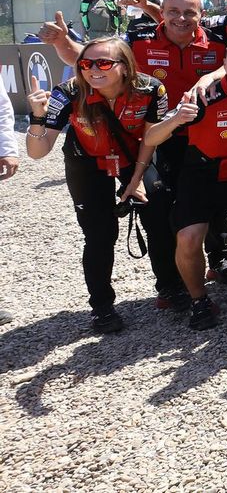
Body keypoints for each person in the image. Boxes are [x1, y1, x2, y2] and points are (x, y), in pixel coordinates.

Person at [131, 34, 227, 329]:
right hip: (201, 174)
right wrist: (175, 120)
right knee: (187, 238)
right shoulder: (203, 95)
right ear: (223, 65)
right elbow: (151, 137)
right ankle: (200, 300)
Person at [25, 38, 170, 333]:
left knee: (159, 217)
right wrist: (37, 117)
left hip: (134, 156)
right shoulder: (67, 93)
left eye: (103, 63)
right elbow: (37, 152)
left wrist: (137, 178)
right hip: (86, 162)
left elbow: (151, 138)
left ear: (125, 66)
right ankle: (102, 307)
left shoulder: (151, 88)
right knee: (100, 235)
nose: (93, 70)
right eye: (86, 64)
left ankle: (170, 288)